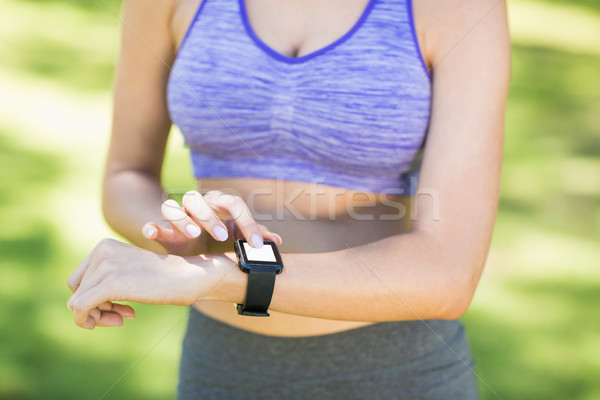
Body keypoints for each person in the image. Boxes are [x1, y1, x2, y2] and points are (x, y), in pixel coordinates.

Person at [67, 0, 510, 398]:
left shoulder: (460, 8)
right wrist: (189, 236)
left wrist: (227, 276)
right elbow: (127, 176)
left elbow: (447, 272)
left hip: (398, 370)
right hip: (220, 369)